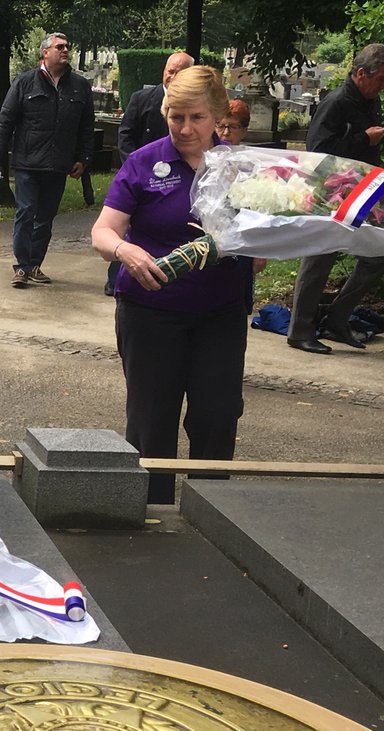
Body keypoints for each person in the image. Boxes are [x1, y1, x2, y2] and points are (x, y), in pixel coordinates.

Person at [91, 66, 246, 505]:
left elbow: (265, 229)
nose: (184, 128)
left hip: (221, 312)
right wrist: (125, 251)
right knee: (151, 420)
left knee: (217, 417)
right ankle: (152, 511)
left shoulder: (240, 168)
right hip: (151, 312)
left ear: (216, 116)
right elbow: (103, 231)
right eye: (175, 116)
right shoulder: (145, 162)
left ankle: (213, 511)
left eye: (195, 117)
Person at [286, 43, 384, 355]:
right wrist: (363, 139)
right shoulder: (337, 102)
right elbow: (317, 151)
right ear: (360, 74)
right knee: (321, 255)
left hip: (363, 189)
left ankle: (337, 318)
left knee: (377, 255)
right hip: (329, 189)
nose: (383, 86)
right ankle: (299, 331)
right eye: (381, 78)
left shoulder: (370, 100)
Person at [0, 32, 94, 289]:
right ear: (45, 53)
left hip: (58, 164)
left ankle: (34, 264)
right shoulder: (25, 83)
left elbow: (86, 126)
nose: (65, 50)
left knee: (45, 217)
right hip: (28, 162)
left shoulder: (80, 86)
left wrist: (84, 158)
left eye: (67, 46)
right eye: (59, 47)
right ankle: (21, 266)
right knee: (26, 212)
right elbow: (5, 121)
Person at [105, 51, 193, 295]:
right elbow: (126, 134)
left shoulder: (194, 108)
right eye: (169, 71)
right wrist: (135, 168)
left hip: (176, 179)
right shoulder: (142, 98)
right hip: (141, 177)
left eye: (179, 72)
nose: (172, 76)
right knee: (125, 228)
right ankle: (116, 278)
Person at [216, 99, 266, 313]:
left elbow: (259, 209)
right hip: (211, 238)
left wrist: (259, 251)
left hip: (242, 241)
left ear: (243, 131)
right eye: (221, 125)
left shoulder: (252, 164)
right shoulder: (205, 158)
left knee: (237, 302)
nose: (225, 132)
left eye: (233, 127)